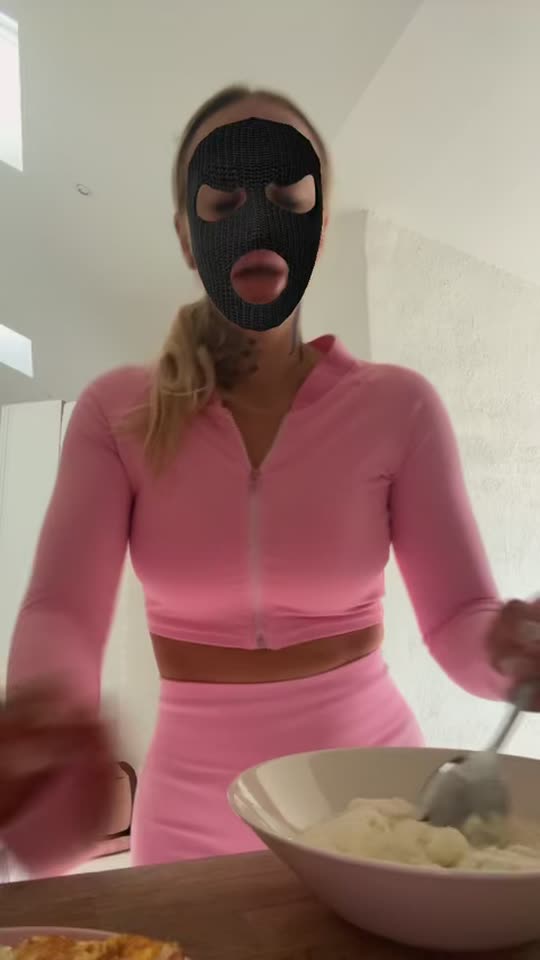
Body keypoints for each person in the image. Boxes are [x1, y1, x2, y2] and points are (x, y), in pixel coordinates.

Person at [1, 85, 539, 877]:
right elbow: (62, 610)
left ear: (319, 225)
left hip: (374, 810)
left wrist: (509, 652)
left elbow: (460, 618)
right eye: (225, 200)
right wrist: (45, 717)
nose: (257, 223)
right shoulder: (117, 413)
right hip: (188, 824)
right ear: (186, 236)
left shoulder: (398, 406)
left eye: (287, 197)